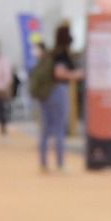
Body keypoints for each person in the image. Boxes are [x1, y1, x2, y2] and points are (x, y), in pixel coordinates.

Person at [40, 24, 83, 172]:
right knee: (59, 126)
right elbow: (59, 73)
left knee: (47, 128)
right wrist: (75, 75)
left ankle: (44, 162)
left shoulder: (52, 53)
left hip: (46, 92)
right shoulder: (61, 54)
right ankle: (60, 162)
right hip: (58, 91)